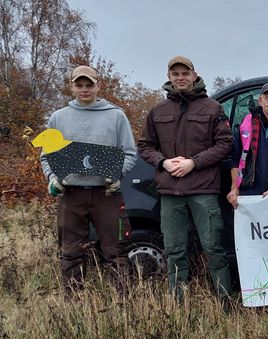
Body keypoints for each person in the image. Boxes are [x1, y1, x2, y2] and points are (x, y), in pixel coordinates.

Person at [137, 56, 233, 301]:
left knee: (214, 248)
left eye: (185, 73)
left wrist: (194, 162)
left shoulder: (213, 108)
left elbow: (225, 144)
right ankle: (178, 304)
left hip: (203, 190)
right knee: (174, 250)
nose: (180, 77)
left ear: (194, 74)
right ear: (169, 76)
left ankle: (224, 301)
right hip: (171, 192)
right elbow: (145, 146)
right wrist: (163, 162)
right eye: (175, 73)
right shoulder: (158, 111)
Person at [40, 65, 137, 295]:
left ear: (98, 86)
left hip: (107, 195)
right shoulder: (58, 118)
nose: (84, 89)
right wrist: (53, 179)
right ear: (72, 87)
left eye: (89, 85)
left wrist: (117, 175)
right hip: (72, 196)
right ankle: (73, 304)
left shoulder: (115, 115)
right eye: (79, 85)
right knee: (71, 252)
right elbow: (47, 156)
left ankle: (122, 304)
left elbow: (130, 154)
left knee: (116, 251)